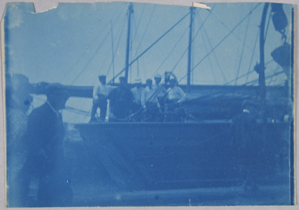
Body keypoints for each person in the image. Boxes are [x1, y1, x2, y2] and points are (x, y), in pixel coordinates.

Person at [17, 83, 73, 207]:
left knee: (60, 196)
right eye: (63, 97)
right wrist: (45, 158)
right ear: (51, 96)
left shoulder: (57, 114)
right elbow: (31, 140)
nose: (65, 100)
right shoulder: (38, 114)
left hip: (56, 164)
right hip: (44, 167)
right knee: (45, 199)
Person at [230, 99, 261, 191]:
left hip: (239, 147)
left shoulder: (235, 118)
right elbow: (256, 135)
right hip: (251, 147)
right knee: (253, 165)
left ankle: (244, 184)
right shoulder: (251, 119)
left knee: (242, 165)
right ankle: (253, 184)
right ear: (248, 107)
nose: (253, 109)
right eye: (252, 107)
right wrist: (259, 145)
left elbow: (231, 132)